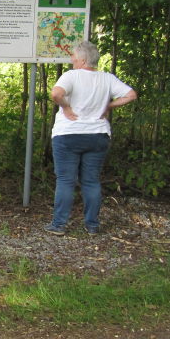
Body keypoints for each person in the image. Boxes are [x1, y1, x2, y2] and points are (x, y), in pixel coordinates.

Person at [44, 41, 137, 236]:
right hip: (97, 135)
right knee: (91, 181)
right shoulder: (107, 78)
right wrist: (108, 107)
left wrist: (66, 107)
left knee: (66, 180)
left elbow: (56, 93)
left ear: (83, 59)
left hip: (68, 135)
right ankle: (92, 225)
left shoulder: (71, 76)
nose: (72, 61)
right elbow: (130, 95)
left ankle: (59, 224)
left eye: (74, 58)